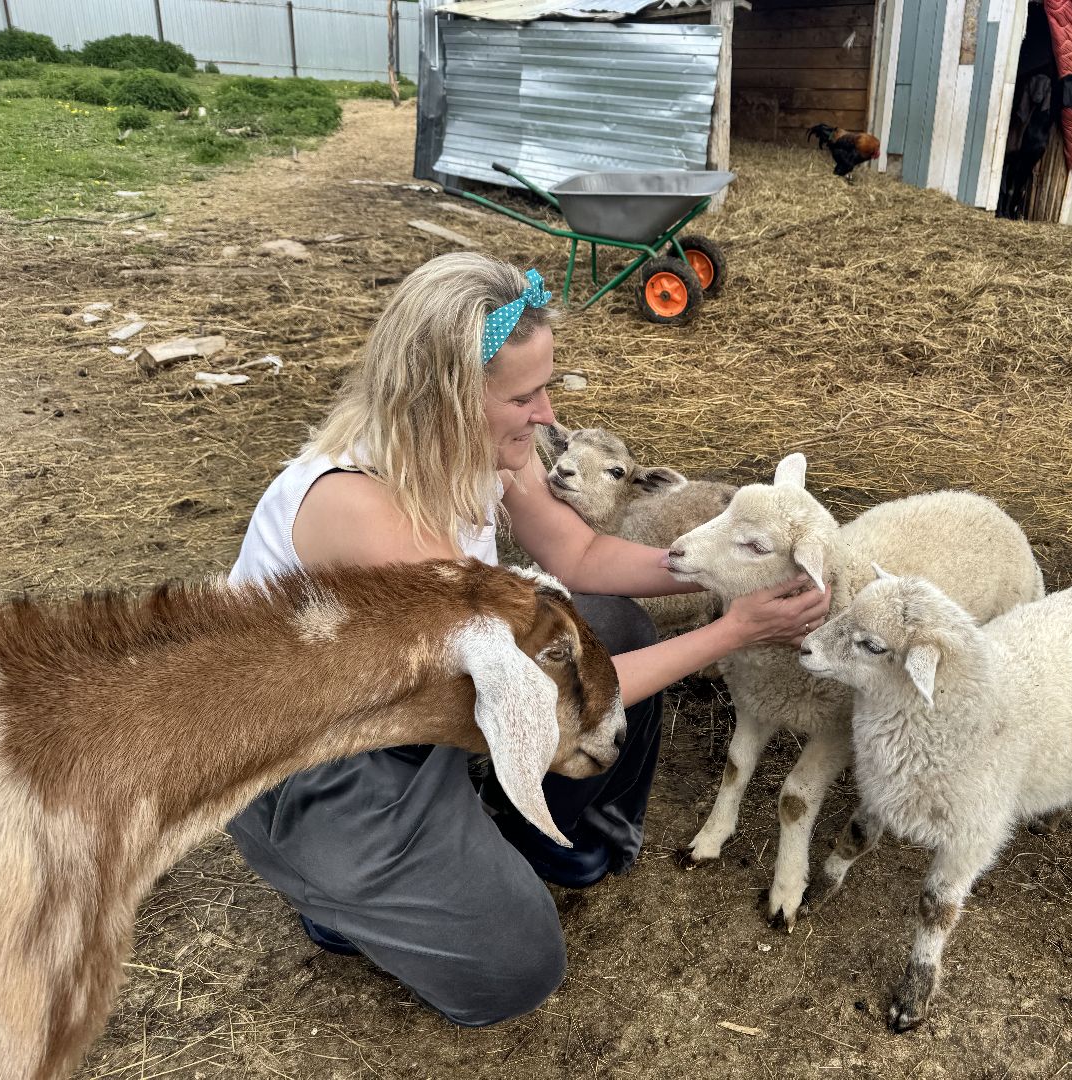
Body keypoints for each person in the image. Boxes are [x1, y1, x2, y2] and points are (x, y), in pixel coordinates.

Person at [224, 252, 830, 1028]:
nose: (547, 414)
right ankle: (337, 896)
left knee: (608, 622)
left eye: (545, 385)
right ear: (443, 398)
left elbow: (578, 557)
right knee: (518, 972)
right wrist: (733, 633)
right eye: (523, 395)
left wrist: (720, 574)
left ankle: (542, 839)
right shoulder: (360, 511)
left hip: (429, 703)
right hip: (328, 762)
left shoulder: (475, 452)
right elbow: (543, 702)